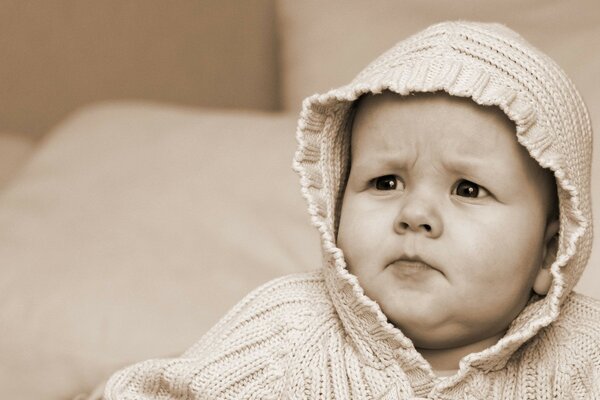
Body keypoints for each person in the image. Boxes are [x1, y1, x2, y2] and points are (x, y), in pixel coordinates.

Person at [103, 21, 600, 399]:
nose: (415, 214)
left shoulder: (585, 358)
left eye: (467, 189)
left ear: (550, 251)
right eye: (386, 182)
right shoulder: (287, 333)